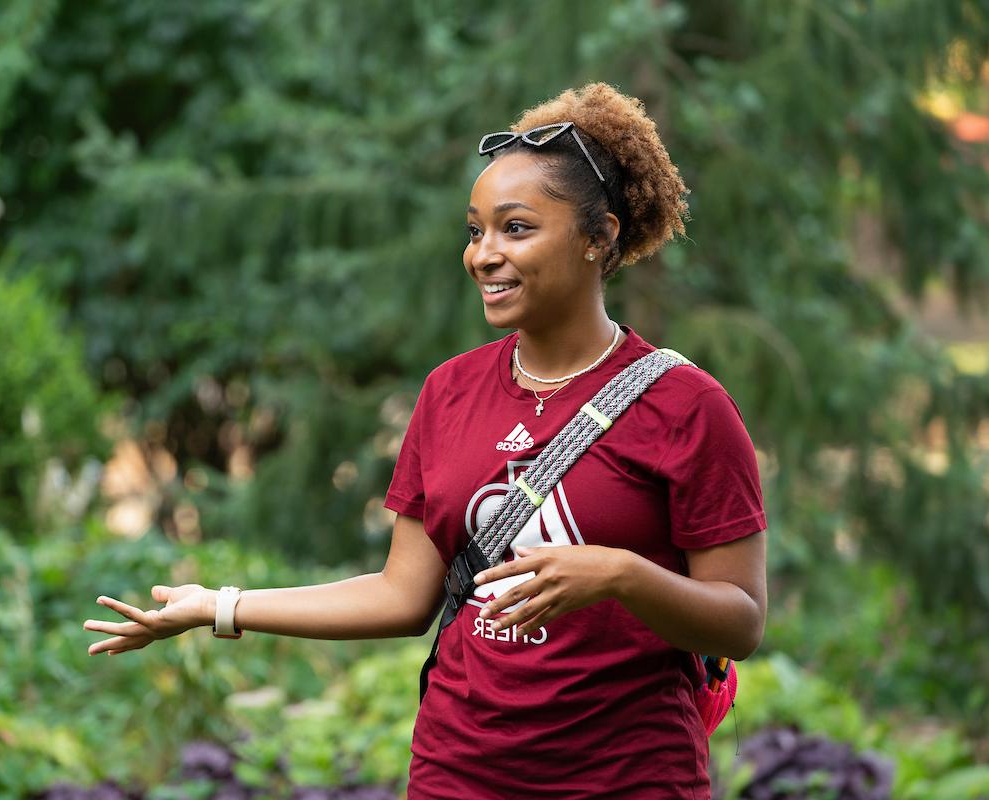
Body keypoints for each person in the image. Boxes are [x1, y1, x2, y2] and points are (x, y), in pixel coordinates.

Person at [84, 82, 768, 799]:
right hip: (459, 772)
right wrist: (216, 606)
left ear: (599, 237)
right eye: (475, 231)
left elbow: (740, 623)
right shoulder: (449, 392)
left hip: (629, 780)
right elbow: (401, 596)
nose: (483, 255)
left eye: (516, 228)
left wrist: (620, 576)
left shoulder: (687, 406)